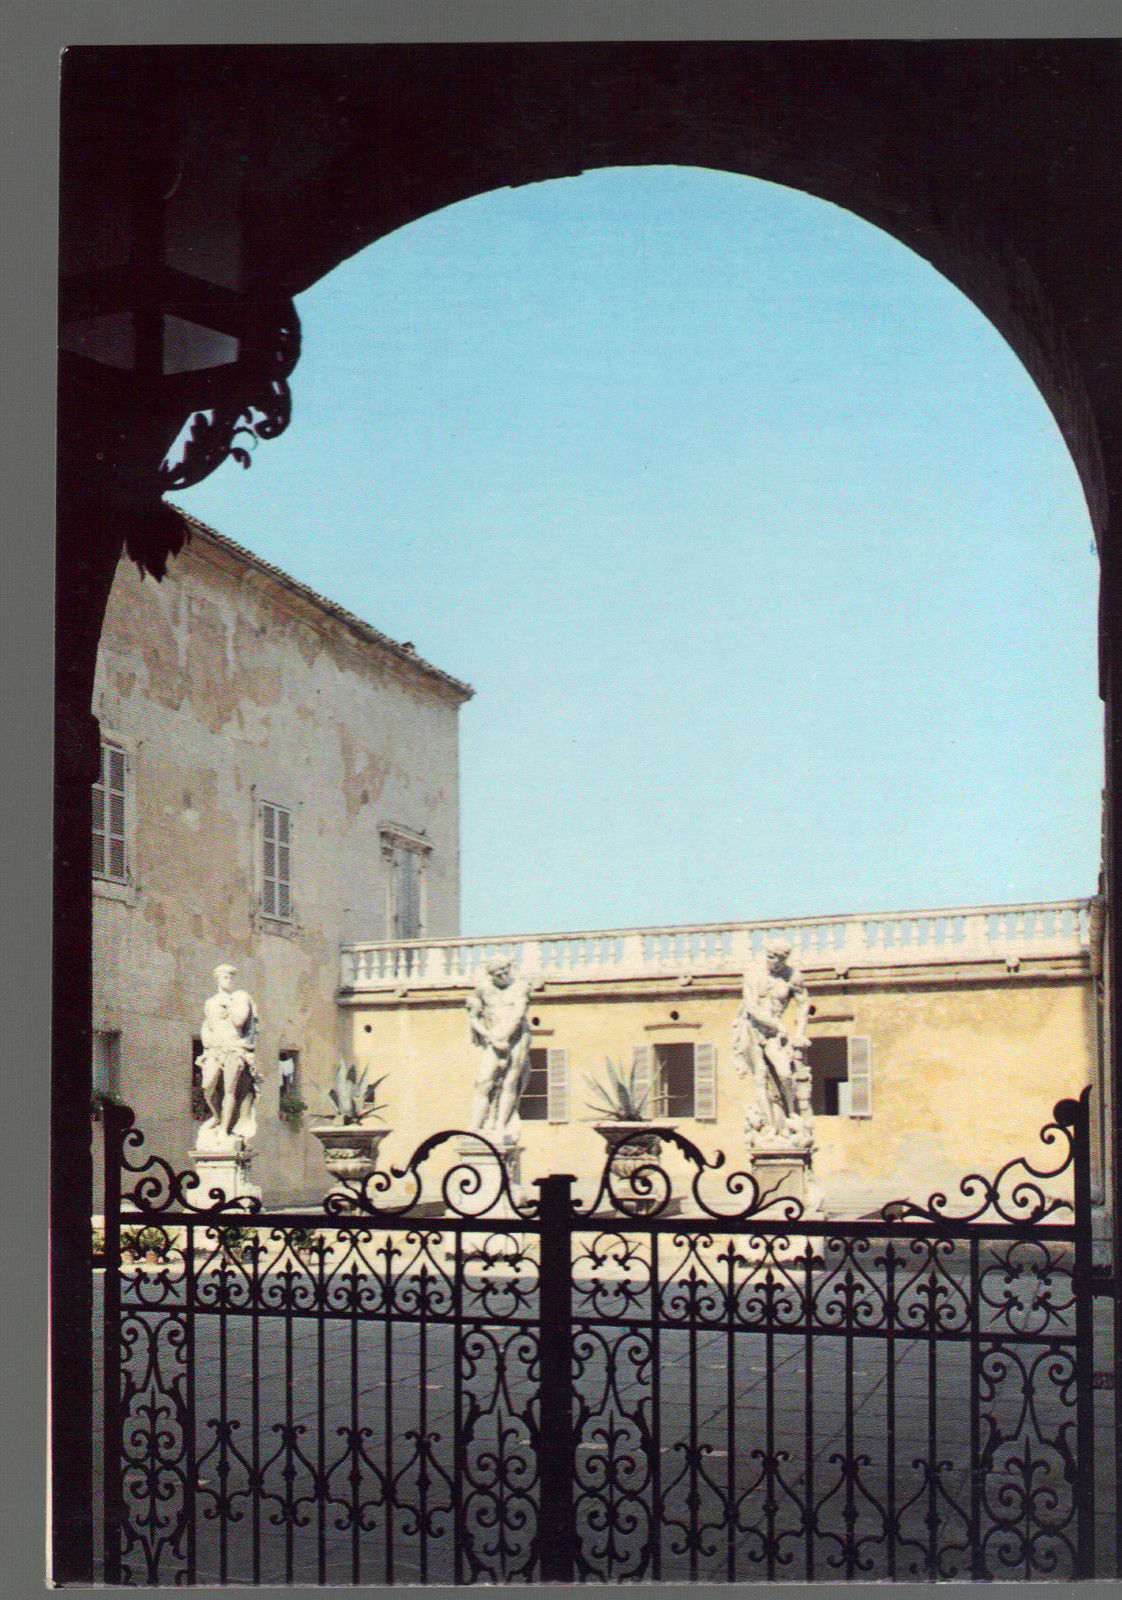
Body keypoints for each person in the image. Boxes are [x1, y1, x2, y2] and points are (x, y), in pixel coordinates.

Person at [732, 937, 813, 1144]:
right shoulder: (753, 975)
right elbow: (751, 1007)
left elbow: (803, 1003)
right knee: (760, 1077)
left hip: (775, 1035)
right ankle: (769, 1128)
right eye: (767, 955)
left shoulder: (793, 977)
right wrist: (779, 1026)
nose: (768, 960)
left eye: (773, 957)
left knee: (785, 1072)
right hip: (753, 1029)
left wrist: (800, 1032)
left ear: (782, 958)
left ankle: (791, 1112)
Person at [467, 955, 532, 1145]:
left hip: (517, 1036)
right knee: (483, 1081)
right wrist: (490, 1036)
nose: (502, 976)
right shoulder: (483, 989)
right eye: (497, 974)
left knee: (510, 1081)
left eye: (505, 971)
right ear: (490, 975)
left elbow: (518, 1014)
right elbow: (474, 1018)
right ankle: (475, 1125)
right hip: (494, 1037)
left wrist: (503, 1038)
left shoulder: (520, 987)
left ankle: (501, 1126)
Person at [196, 963, 259, 1144]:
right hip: (215, 1050)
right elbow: (207, 1025)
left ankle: (224, 1129)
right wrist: (207, 1044)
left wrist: (231, 1005)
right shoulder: (210, 1003)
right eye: (226, 977)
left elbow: (239, 1022)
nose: (229, 980)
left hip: (233, 1049)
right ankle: (216, 1116)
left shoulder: (238, 999)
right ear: (217, 978)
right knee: (208, 1087)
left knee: (230, 1090)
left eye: (232, 977)